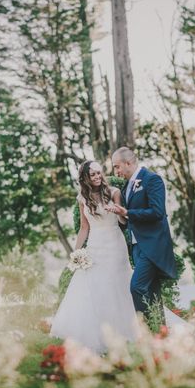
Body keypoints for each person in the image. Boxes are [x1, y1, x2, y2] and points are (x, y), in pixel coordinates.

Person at [50, 160, 138, 353]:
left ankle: (123, 333)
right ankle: (95, 332)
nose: (98, 177)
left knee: (117, 285)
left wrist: (118, 211)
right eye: (93, 175)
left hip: (115, 244)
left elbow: (124, 220)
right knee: (92, 286)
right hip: (95, 246)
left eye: (99, 173)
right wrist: (76, 253)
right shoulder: (82, 198)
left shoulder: (114, 192)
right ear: (85, 178)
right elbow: (84, 228)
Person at [108, 147, 178, 327]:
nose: (116, 172)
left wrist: (128, 212)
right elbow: (127, 219)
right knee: (153, 294)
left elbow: (157, 212)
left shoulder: (151, 180)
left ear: (128, 163)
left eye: (117, 167)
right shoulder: (127, 186)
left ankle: (146, 332)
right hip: (137, 247)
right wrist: (119, 214)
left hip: (152, 246)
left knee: (136, 288)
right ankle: (161, 335)